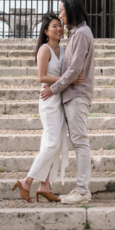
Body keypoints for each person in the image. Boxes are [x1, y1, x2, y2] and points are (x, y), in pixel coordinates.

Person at [14, 12, 73, 202]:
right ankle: (27, 180)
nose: (59, 29)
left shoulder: (64, 50)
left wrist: (65, 80)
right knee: (53, 143)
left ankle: (45, 186)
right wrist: (67, 79)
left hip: (60, 98)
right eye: (54, 26)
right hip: (48, 100)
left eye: (60, 25)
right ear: (46, 31)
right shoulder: (44, 50)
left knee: (50, 143)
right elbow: (41, 77)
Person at [43, 0, 96, 204]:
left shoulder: (82, 34)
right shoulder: (76, 34)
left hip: (77, 95)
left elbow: (75, 68)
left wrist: (53, 88)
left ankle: (82, 191)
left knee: (81, 143)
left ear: (71, 10)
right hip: (71, 95)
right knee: (77, 141)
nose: (60, 14)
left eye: (62, 10)